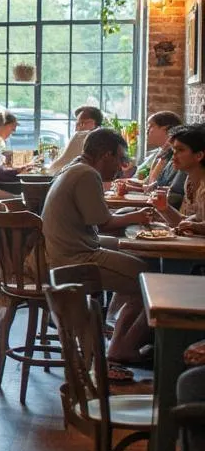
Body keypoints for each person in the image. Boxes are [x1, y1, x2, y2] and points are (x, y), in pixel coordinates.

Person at [41, 127, 155, 364]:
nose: (120, 165)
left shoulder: (74, 167)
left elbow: (97, 221)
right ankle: (123, 346)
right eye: (120, 158)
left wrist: (130, 215)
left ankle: (114, 326)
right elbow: (103, 223)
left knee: (127, 248)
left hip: (60, 250)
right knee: (150, 279)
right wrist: (138, 216)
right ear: (106, 155)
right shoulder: (86, 174)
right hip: (73, 259)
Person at [149, 123, 205, 234]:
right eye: (174, 150)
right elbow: (184, 223)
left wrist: (196, 227)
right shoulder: (189, 181)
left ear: (199, 156)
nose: (174, 156)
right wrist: (164, 208)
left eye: (180, 150)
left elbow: (193, 226)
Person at [115, 110, 184, 193]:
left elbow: (163, 189)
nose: (147, 130)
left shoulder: (175, 157)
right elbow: (149, 184)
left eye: (151, 126)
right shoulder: (160, 153)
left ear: (166, 129)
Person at [46, 105, 105, 175]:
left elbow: (54, 169)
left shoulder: (81, 136)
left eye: (82, 123)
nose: (76, 129)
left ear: (94, 123)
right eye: (77, 124)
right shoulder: (102, 139)